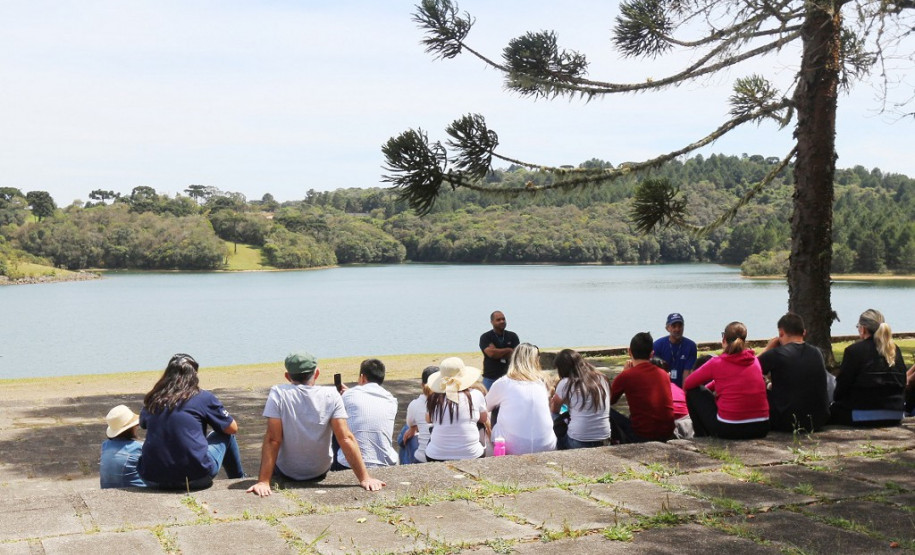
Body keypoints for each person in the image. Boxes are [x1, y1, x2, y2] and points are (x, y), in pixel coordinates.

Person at [247, 352, 386, 497]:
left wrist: (263, 481)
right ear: (317, 373)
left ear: (288, 376)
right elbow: (346, 438)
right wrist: (365, 478)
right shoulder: (332, 394)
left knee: (274, 434)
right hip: (319, 470)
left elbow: (273, 440)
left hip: (287, 471)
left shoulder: (278, 393)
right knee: (338, 431)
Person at [138, 353, 245, 490]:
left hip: (151, 479)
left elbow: (143, 424)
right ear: (194, 375)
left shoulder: (154, 398)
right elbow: (232, 428)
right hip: (197, 477)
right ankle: (238, 477)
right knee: (225, 434)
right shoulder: (203, 397)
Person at [683, 322, 770, 439]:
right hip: (761, 427)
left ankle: (701, 436)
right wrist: (710, 389)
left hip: (729, 429)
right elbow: (732, 380)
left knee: (693, 391)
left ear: (724, 339)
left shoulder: (717, 363)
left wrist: (707, 393)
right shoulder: (754, 361)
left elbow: (688, 383)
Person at [830, 309, 907, 427]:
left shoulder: (853, 351)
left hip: (861, 415)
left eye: (858, 327)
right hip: (895, 415)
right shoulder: (895, 351)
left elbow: (841, 388)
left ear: (863, 329)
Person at [757, 312, 830, 432]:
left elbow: (748, 369)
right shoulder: (817, 353)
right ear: (804, 333)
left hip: (786, 421)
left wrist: (767, 348)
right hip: (818, 420)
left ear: (781, 333)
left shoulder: (776, 354)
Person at [485, 343, 556, 454]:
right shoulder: (542, 382)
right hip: (547, 445)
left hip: (513, 449)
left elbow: (485, 407)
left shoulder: (504, 383)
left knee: (493, 411)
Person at [610, 332, 675, 443]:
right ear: (651, 354)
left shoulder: (626, 375)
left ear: (629, 351)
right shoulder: (663, 374)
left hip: (641, 434)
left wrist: (623, 373)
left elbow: (609, 400)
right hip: (667, 432)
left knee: (606, 411)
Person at [335, 359, 398, 469]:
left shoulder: (349, 395)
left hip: (349, 464)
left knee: (337, 426)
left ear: (362, 377)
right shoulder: (391, 399)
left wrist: (347, 394)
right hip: (386, 462)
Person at [424, 357, 489, 461]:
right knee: (480, 424)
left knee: (434, 427)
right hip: (472, 454)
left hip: (435, 455)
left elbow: (428, 419)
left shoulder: (433, 398)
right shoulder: (476, 394)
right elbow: (484, 418)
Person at [550, 349, 612, 449]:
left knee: (553, 417)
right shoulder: (601, 378)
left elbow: (554, 409)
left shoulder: (566, 383)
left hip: (578, 441)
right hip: (604, 438)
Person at [99, 405, 147, 489]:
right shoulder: (139, 448)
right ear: (132, 427)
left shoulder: (105, 445)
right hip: (136, 492)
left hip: (107, 491)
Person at [401, 366, 438, 463]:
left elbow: (410, 424)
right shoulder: (450, 402)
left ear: (422, 385)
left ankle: (404, 465)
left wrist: (414, 427)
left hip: (425, 457)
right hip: (449, 454)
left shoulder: (416, 404)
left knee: (404, 432)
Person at [653, 313, 698, 388]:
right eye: (674, 326)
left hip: (681, 388)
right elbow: (656, 374)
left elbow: (687, 373)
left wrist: (683, 395)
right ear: (667, 328)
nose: (677, 329)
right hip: (663, 387)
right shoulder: (657, 345)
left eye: (680, 326)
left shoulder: (690, 346)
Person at [479, 310, 521, 390]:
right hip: (490, 378)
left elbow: (515, 355)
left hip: (510, 377)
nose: (502, 321)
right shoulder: (485, 337)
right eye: (498, 320)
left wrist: (497, 351)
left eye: (503, 319)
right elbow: (491, 354)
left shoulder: (513, 336)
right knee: (486, 401)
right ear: (492, 322)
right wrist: (508, 350)